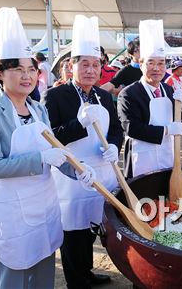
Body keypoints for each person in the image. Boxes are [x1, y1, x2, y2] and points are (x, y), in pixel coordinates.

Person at [0, 7, 94, 289]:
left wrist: (77, 170)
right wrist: (41, 157)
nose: (27, 76)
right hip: (12, 210)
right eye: (18, 69)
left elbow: (54, 152)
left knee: (43, 273)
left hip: (44, 203)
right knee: (15, 275)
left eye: (31, 70)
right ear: (0, 73)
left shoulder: (38, 109)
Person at [42, 15, 122, 288]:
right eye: (84, 64)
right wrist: (80, 124)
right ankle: (76, 279)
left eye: (95, 65)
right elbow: (52, 137)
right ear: (71, 66)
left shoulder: (104, 96)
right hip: (72, 177)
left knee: (93, 227)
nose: (90, 70)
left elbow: (117, 130)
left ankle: (87, 271)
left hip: (102, 172)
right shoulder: (55, 96)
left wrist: (114, 146)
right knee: (74, 231)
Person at [118, 20, 182, 178]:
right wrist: (167, 130)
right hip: (141, 159)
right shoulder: (129, 94)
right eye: (151, 63)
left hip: (167, 156)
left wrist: (181, 106)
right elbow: (131, 127)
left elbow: (175, 120)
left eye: (161, 63)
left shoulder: (169, 90)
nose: (157, 68)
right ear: (141, 64)